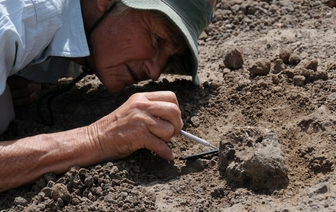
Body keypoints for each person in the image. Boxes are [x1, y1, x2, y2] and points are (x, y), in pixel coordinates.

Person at [0, 0, 214, 192]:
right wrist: (97, 138)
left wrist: (19, 72)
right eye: (157, 39)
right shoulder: (23, 17)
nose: (155, 72)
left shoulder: (88, 30)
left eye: (170, 58)